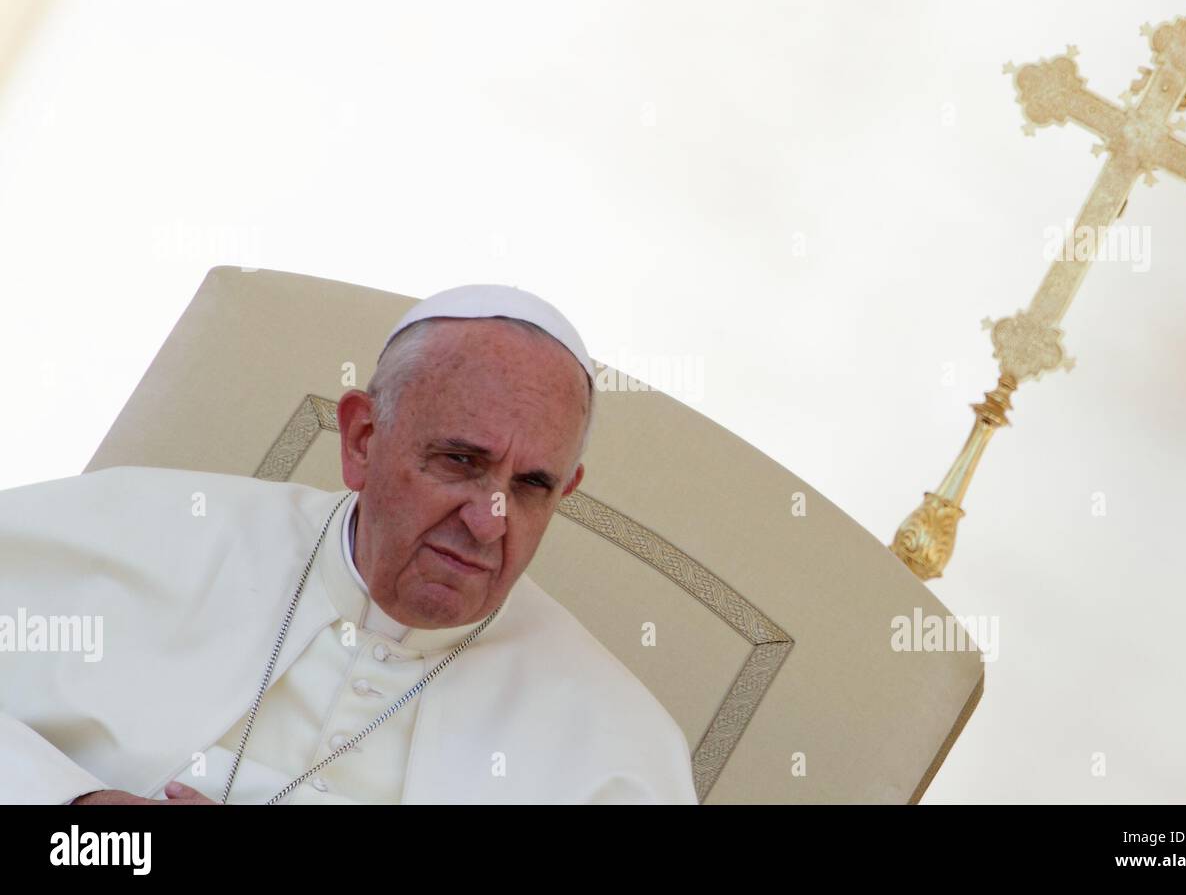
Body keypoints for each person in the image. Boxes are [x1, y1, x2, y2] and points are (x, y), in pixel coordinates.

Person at [0, 284, 698, 804]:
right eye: (459, 461)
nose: (488, 521)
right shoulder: (144, 531)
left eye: (532, 486)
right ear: (363, 438)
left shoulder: (617, 752)